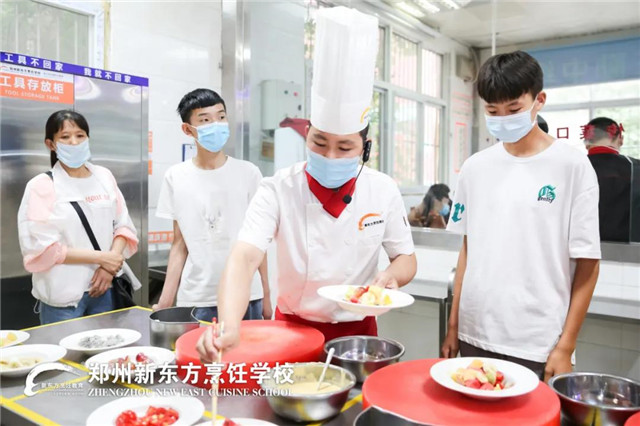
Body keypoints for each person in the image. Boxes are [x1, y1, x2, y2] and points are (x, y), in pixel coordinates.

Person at [196, 6, 416, 361]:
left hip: (357, 335)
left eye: (345, 147)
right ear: (307, 133)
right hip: (291, 330)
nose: (330, 155)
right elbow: (244, 257)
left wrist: (392, 275)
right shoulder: (278, 188)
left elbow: (405, 257)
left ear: (366, 147)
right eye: (319, 142)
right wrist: (229, 324)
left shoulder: (382, 189)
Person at [441, 51, 601, 382]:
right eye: (492, 111)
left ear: (538, 100)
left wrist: (566, 346)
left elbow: (588, 262)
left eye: (513, 109)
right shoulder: (475, 168)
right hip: (475, 332)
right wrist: (453, 326)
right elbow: (468, 250)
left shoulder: (572, 166)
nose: (503, 119)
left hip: (538, 342)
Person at [153, 89, 271, 321]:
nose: (216, 124)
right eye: (205, 120)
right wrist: (165, 301)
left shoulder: (248, 173)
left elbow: (259, 241)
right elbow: (179, 244)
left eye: (221, 117)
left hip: (246, 294)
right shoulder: (176, 176)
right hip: (197, 298)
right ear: (188, 129)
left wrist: (266, 295)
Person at [18, 110, 139, 325]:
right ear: (51, 144)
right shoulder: (41, 186)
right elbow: (43, 248)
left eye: (80, 135)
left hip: (106, 288)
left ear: (88, 138)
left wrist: (108, 267)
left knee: (108, 345)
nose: (74, 142)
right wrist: (103, 259)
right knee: (63, 346)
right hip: (63, 296)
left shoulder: (104, 177)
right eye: (65, 137)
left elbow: (123, 226)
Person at [583, 117, 639, 242]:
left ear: (587, 143)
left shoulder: (574, 167)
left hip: (581, 246)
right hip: (630, 249)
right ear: (620, 139)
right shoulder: (635, 167)